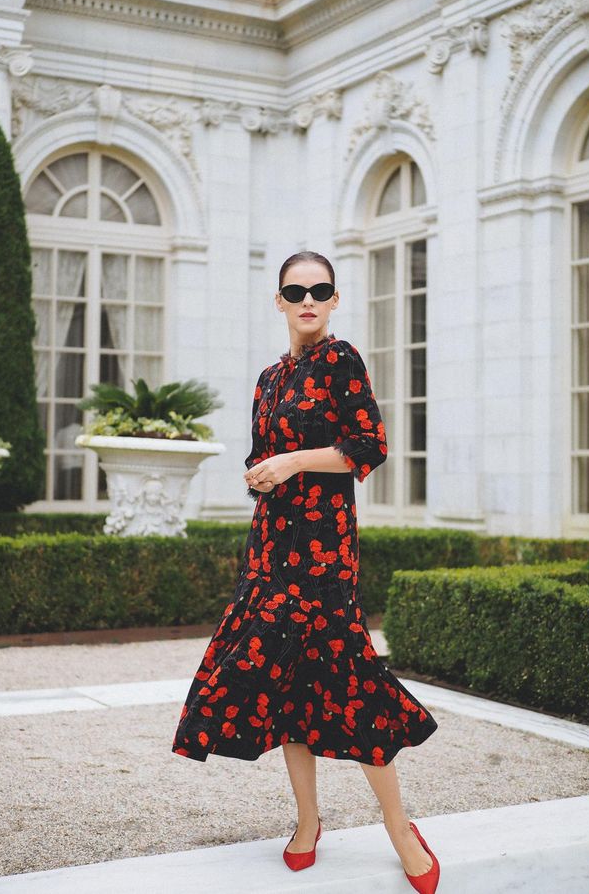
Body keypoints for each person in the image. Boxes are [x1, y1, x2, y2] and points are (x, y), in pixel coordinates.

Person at [171, 251, 439, 893]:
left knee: (350, 679)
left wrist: (291, 462)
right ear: (281, 301)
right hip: (269, 548)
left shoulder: (342, 361)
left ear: (335, 299)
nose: (308, 300)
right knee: (285, 683)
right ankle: (307, 821)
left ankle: (400, 828)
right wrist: (262, 471)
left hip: (324, 551)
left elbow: (367, 446)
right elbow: (265, 453)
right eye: (297, 291)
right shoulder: (268, 378)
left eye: (320, 289)